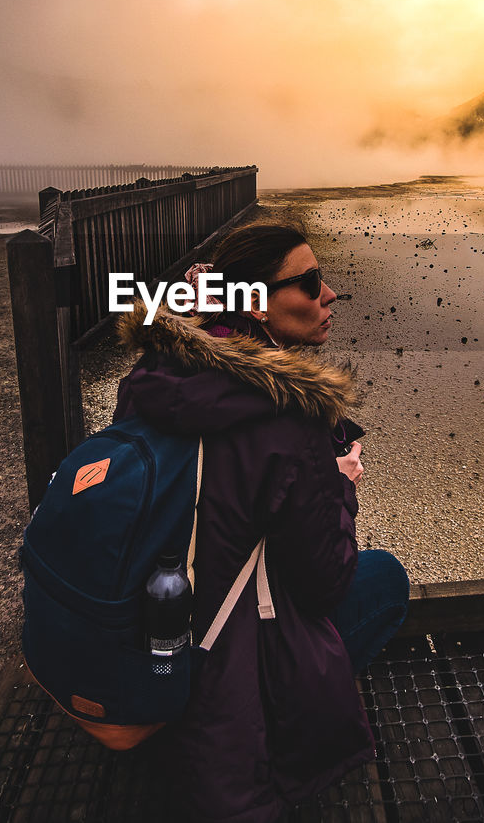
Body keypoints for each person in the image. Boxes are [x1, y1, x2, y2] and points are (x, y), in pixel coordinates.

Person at [113, 217, 410, 821]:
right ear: (253, 307)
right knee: (383, 579)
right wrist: (339, 484)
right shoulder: (290, 414)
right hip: (224, 689)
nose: (329, 295)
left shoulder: (151, 378)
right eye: (309, 282)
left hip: (153, 635)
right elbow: (324, 584)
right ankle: (282, 729)